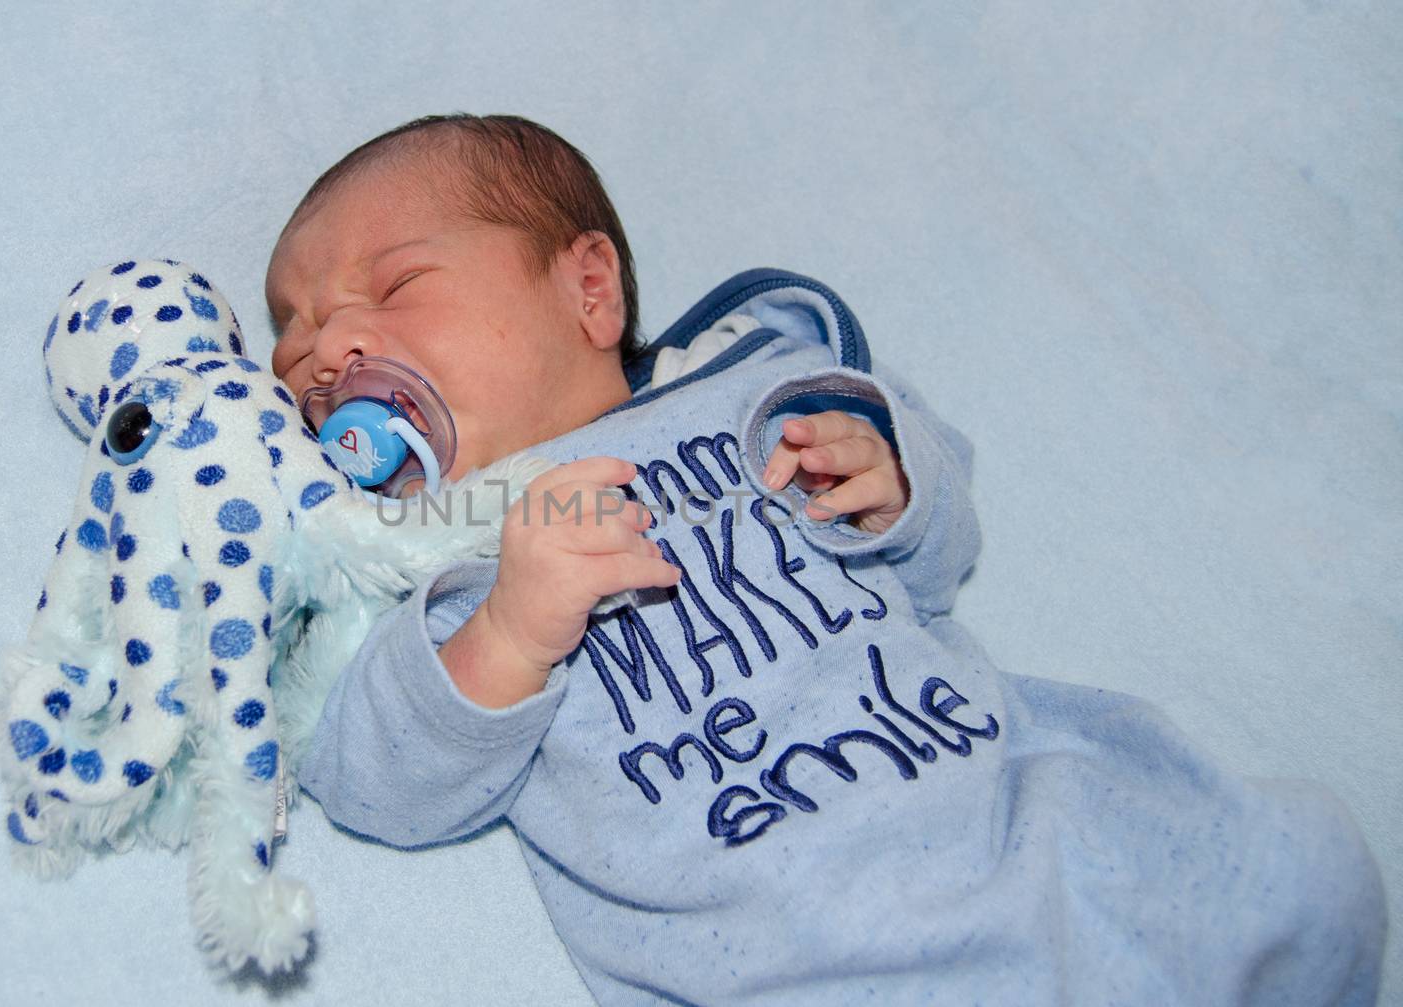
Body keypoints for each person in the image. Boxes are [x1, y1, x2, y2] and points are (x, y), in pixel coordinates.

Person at [265, 114, 1385, 1005]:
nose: (324, 347)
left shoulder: (754, 394)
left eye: (394, 287)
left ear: (588, 289)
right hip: (792, 953)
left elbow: (937, 556)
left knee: (1303, 868)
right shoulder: (417, 560)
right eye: (295, 330)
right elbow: (371, 777)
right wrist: (508, 633)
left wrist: (890, 479)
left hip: (1011, 818)